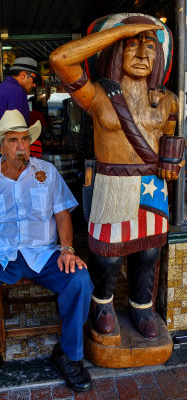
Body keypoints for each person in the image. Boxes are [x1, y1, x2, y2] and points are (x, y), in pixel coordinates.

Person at [50, 14, 185, 339]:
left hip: (152, 185)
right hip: (111, 183)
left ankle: (142, 305)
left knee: (149, 252)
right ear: (113, 52)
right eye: (130, 46)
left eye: (150, 46)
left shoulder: (167, 100)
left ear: (160, 57)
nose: (141, 54)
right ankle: (103, 302)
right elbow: (60, 59)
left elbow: (171, 139)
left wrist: (174, 161)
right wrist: (121, 31)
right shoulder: (97, 97)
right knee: (108, 257)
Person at [0, 109, 93, 394]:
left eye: (25, 139)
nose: (21, 146)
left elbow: (63, 214)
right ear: (1, 146)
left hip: (45, 254)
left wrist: (67, 249)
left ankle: (69, 355)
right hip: (1, 256)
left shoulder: (47, 173)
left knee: (80, 280)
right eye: (14, 140)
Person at [0, 57, 42, 168]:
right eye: (34, 80)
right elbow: (20, 130)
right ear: (23, 75)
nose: (34, 84)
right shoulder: (17, 91)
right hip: (9, 152)